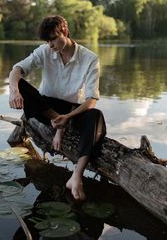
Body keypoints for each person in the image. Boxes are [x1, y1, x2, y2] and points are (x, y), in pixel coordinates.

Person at [9, 15, 106, 200]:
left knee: (96, 116)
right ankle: (57, 122)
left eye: (53, 39)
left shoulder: (90, 59)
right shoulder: (45, 51)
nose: (50, 44)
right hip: (46, 108)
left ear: (65, 32)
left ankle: (76, 176)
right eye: (47, 41)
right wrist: (14, 91)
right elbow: (17, 69)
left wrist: (68, 118)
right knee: (20, 84)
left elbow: (91, 100)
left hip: (73, 111)